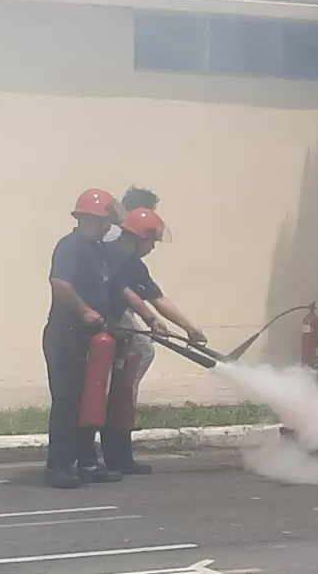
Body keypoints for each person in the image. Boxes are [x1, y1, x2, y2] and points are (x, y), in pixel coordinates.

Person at [101, 193, 205, 474]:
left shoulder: (135, 265)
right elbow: (124, 292)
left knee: (122, 395)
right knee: (108, 395)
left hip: (119, 336)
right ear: (138, 238)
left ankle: (120, 457)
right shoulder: (109, 256)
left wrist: (189, 328)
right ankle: (96, 458)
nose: (153, 248)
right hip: (99, 333)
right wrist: (150, 319)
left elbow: (156, 296)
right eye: (151, 243)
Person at [42, 188, 129, 489]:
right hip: (67, 335)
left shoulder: (100, 251)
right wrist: (85, 311)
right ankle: (60, 466)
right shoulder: (72, 246)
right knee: (67, 402)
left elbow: (114, 286)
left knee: (90, 400)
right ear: (88, 219)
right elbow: (59, 283)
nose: (107, 227)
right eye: (104, 221)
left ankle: (88, 462)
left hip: (93, 336)